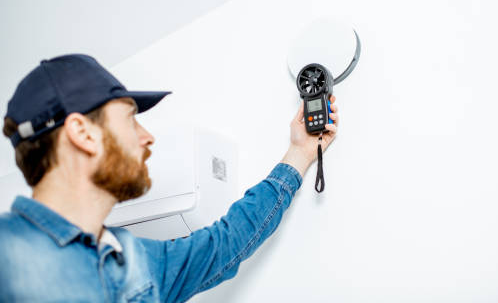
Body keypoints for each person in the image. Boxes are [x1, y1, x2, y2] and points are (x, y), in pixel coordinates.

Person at [0, 53, 339, 302]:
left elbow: (227, 242)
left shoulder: (135, 261)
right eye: (131, 118)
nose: (147, 137)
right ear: (82, 133)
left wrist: (301, 152)